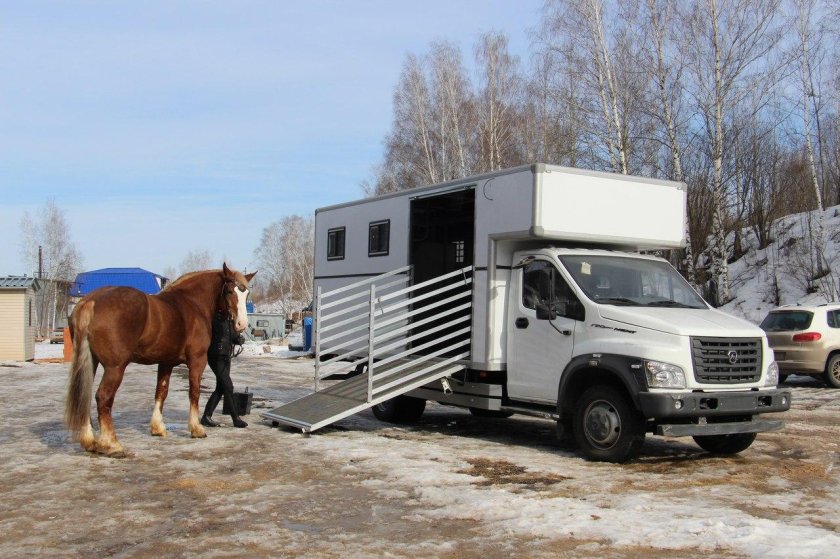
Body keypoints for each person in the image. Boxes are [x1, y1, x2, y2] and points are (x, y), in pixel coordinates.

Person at [201, 311, 248, 428]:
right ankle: (235, 418)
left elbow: (231, 336)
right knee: (228, 386)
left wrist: (238, 339)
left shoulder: (230, 320)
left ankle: (206, 417)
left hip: (226, 356)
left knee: (221, 388)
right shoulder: (215, 318)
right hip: (216, 356)